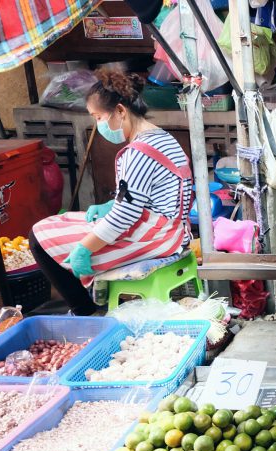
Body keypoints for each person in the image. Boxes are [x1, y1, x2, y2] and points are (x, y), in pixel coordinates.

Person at [30, 70, 193, 315]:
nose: (98, 125)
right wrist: (108, 207)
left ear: (120, 111)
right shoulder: (161, 137)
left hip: (153, 238)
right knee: (66, 221)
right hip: (173, 231)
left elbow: (124, 217)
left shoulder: (138, 152)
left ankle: (84, 311)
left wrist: (85, 248)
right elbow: (139, 198)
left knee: (39, 235)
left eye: (98, 117)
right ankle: (91, 303)